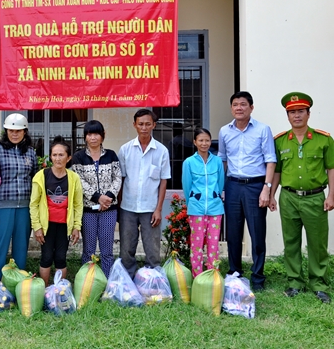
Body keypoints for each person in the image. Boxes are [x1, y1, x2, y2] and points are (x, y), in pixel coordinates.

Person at [270, 92, 334, 304]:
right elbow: (277, 171)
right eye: (292, 112)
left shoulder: (323, 139)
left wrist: (331, 195)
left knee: (317, 244)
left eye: (300, 111)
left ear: (308, 114)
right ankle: (294, 282)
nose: (296, 116)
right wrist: (271, 195)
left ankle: (319, 284)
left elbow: (331, 168)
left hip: (315, 198)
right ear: (287, 116)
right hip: (288, 197)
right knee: (291, 242)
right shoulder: (279, 141)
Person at [218, 91, 276, 291]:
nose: (239, 108)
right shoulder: (225, 131)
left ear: (251, 107)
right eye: (235, 104)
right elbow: (222, 160)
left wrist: (266, 189)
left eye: (243, 104)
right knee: (233, 233)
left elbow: (271, 160)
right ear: (231, 108)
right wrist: (222, 188)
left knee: (257, 233)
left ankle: (258, 277)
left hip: (255, 186)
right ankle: (235, 273)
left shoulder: (262, 130)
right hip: (232, 186)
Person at [118, 109, 170, 278]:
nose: (144, 128)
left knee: (153, 248)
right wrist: (119, 207)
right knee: (126, 248)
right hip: (128, 207)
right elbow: (121, 180)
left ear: (154, 125)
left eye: (148, 124)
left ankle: (152, 282)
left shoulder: (161, 151)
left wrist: (159, 209)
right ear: (134, 125)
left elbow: (163, 181)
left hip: (150, 208)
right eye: (140, 124)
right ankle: (127, 281)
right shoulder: (125, 150)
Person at [0, 113, 38, 283]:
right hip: (2, 207)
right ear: (6, 131)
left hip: (24, 207)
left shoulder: (31, 152)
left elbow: (35, 179)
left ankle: (18, 284)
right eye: (11, 130)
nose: (14, 134)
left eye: (18, 131)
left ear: (25, 132)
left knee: (21, 248)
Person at [71, 120, 122, 277]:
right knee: (88, 250)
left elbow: (118, 177)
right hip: (88, 210)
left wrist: (109, 197)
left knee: (107, 250)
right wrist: (98, 197)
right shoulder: (78, 157)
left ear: (102, 136)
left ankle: (107, 283)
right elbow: (79, 180)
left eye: (96, 134)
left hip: (109, 209)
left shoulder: (111, 155)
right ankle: (87, 282)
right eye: (89, 134)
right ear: (85, 136)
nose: (93, 138)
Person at [30, 136, 83, 286]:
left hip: (64, 225)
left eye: (61, 155)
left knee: (60, 257)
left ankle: (60, 291)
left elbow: (78, 205)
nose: (57, 158)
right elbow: (33, 204)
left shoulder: (73, 178)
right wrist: (37, 226)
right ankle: (45, 289)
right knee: (46, 257)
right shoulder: (42, 176)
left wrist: (76, 227)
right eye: (54, 155)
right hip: (47, 225)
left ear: (68, 157)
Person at [181, 127, 225, 277]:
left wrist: (215, 197)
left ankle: (213, 275)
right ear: (195, 142)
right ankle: (198, 277)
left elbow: (220, 183)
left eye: (207, 140)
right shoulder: (189, 162)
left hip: (215, 208)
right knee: (197, 246)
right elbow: (187, 186)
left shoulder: (217, 161)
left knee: (213, 246)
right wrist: (193, 201)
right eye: (201, 140)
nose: (204, 143)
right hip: (196, 209)